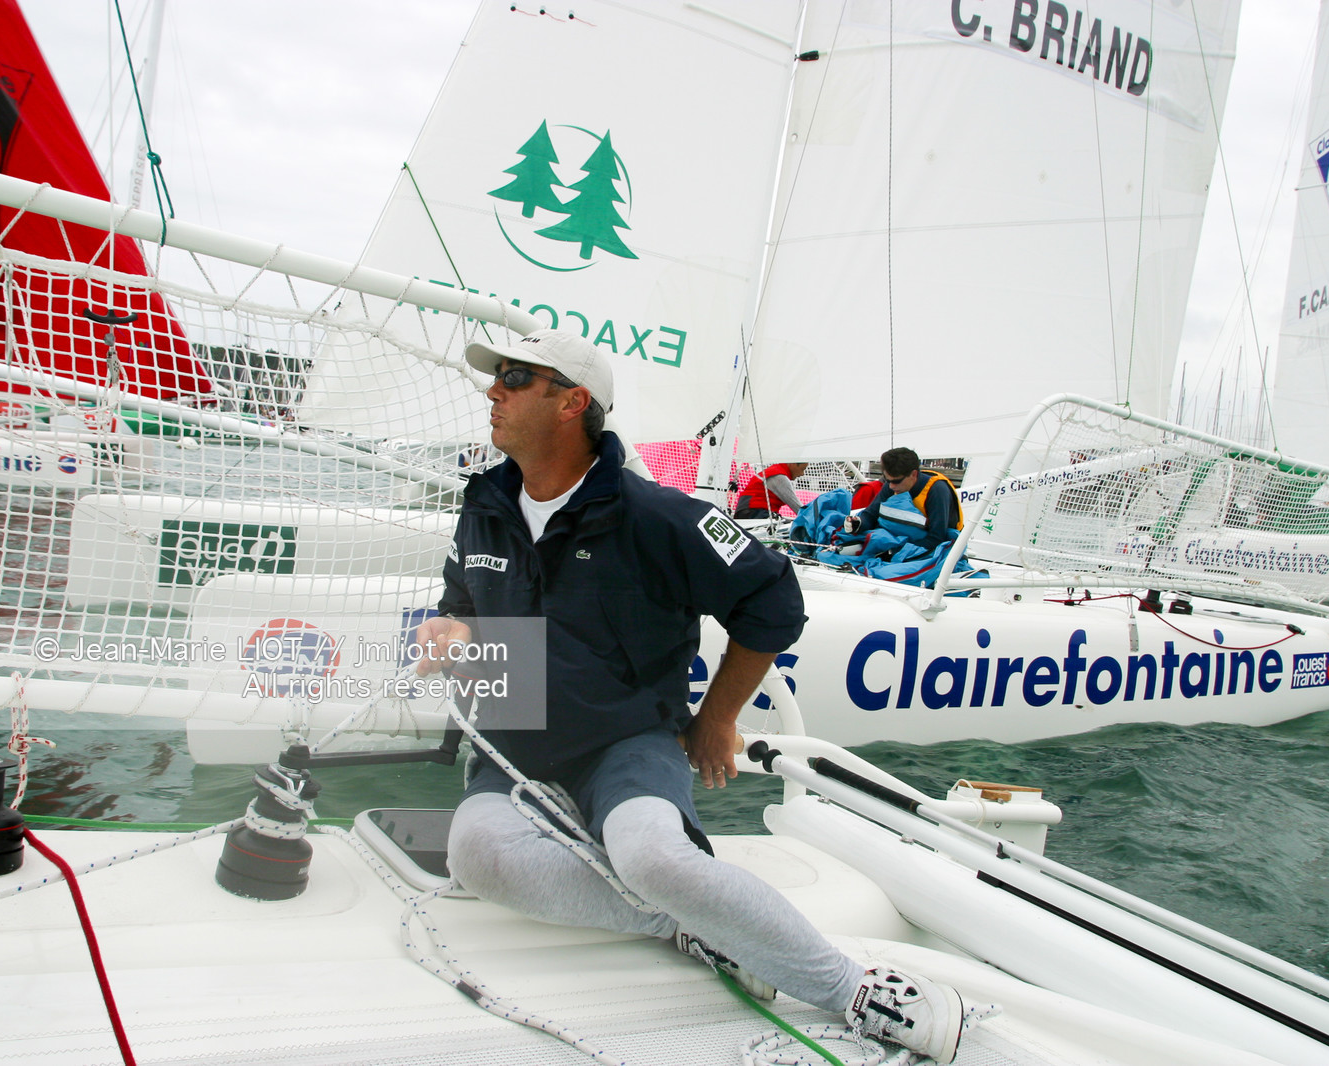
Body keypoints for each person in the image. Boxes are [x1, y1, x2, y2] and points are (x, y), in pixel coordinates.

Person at [413, 329, 965, 1062]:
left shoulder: (659, 517)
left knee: (655, 859)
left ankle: (855, 989)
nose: (494, 391)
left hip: (624, 742)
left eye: (515, 377)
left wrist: (719, 719)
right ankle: (689, 924)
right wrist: (449, 628)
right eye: (498, 378)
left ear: (573, 402)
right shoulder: (482, 507)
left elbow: (773, 599)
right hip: (512, 734)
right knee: (473, 856)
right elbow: (461, 604)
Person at [846, 447, 962, 551]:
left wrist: (894, 552)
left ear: (913, 474)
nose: (891, 486)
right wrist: (858, 524)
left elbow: (937, 538)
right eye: (887, 480)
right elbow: (871, 515)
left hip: (936, 547)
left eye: (896, 481)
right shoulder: (892, 484)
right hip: (900, 540)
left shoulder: (937, 491)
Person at [734, 461, 808, 519]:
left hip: (745, 511)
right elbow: (798, 508)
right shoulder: (779, 477)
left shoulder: (773, 470)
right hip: (755, 512)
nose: (802, 474)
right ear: (793, 464)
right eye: (802, 469)